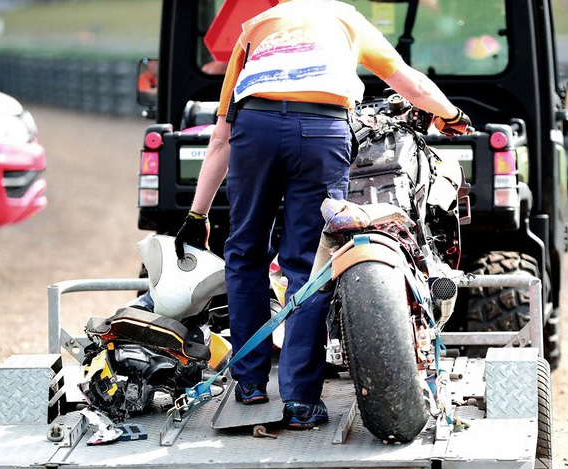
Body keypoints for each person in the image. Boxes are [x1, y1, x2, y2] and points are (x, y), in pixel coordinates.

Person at [174, 0, 471, 431]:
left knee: (244, 252)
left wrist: (197, 214)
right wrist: (452, 116)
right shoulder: (346, 18)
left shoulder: (256, 25)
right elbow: (408, 83)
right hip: (322, 128)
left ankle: (251, 384)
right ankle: (299, 401)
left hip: (253, 127)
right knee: (309, 262)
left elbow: (221, 137)